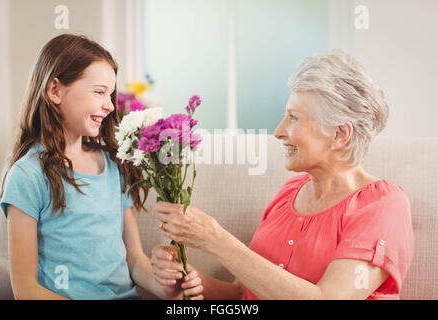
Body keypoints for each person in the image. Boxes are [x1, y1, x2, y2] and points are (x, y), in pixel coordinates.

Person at [151, 50, 415, 300]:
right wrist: (186, 276)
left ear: (339, 134)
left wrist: (214, 238)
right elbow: (244, 293)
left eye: (293, 118)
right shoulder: (292, 191)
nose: (278, 131)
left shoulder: (382, 206)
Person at [0, 34, 202, 300]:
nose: (109, 105)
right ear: (55, 91)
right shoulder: (27, 176)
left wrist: (167, 286)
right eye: (99, 92)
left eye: (110, 94)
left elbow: (135, 261)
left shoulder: (111, 165)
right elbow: (26, 290)